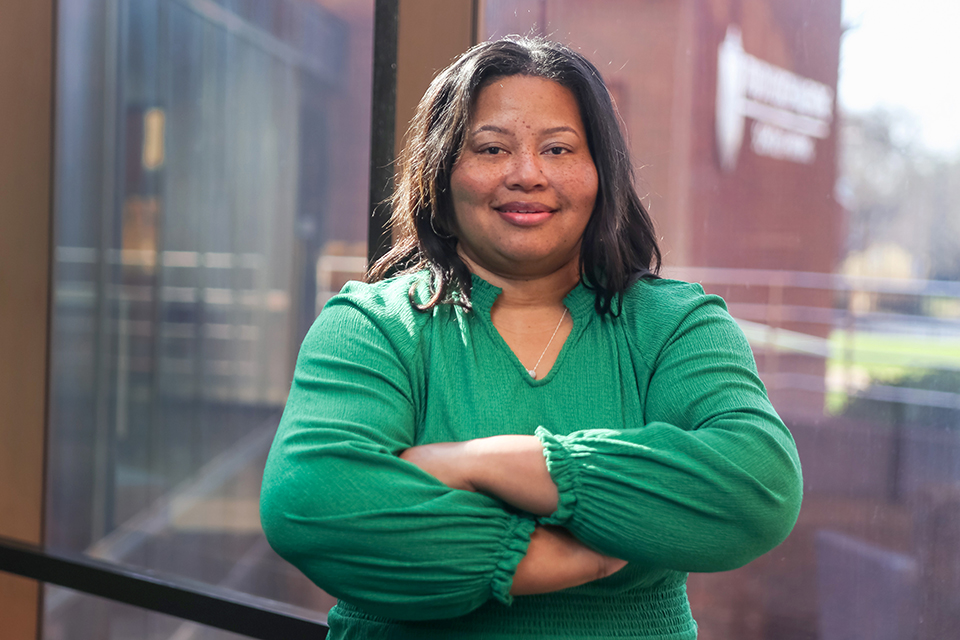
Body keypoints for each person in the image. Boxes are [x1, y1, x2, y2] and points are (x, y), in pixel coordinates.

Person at [260, 36, 802, 639]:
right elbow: (313, 502)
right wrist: (560, 556)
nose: (526, 174)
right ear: (442, 172)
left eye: (558, 148)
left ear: (601, 173)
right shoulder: (374, 326)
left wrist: (480, 463)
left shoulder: (675, 327)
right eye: (492, 148)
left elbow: (758, 489)